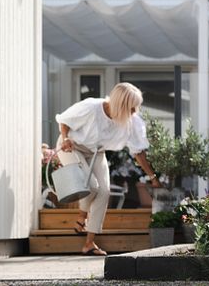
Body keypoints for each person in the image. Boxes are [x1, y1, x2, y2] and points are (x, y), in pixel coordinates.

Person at [55, 82, 162, 256]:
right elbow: (65, 121)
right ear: (121, 105)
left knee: (104, 191)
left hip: (97, 152)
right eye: (132, 108)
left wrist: (153, 178)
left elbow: (139, 153)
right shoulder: (91, 107)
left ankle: (89, 243)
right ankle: (82, 216)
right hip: (72, 146)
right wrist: (66, 138)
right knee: (91, 185)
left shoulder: (131, 121)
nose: (135, 112)